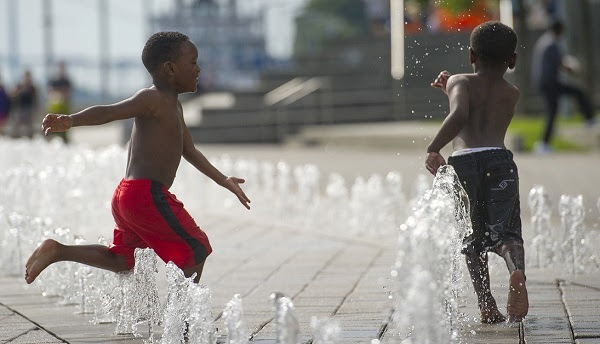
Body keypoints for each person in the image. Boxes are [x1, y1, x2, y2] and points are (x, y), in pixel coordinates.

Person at [25, 32, 251, 285]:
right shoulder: (151, 99)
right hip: (145, 196)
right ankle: (185, 323)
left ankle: (58, 250)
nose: (198, 69)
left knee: (122, 260)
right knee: (196, 248)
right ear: (170, 68)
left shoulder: (174, 105)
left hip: (129, 195)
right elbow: (110, 112)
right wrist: (72, 120)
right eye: (193, 62)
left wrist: (223, 180)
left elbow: (190, 150)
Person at [425, 21, 528, 323]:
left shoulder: (461, 81)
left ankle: (487, 305)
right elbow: (481, 109)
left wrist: (433, 148)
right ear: (513, 60)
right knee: (507, 233)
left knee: (473, 238)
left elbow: (461, 114)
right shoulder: (512, 92)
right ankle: (515, 269)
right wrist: (453, 89)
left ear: (471, 55)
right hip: (500, 162)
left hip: (465, 164)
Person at [531, 19, 596, 153]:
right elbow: (562, 64)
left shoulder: (545, 41)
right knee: (577, 92)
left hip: (546, 82)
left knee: (553, 112)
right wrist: (577, 73)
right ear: (559, 30)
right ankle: (589, 119)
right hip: (550, 83)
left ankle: (543, 144)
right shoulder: (551, 43)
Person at [47, 61, 73, 143]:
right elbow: (50, 92)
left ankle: (65, 139)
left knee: (65, 122)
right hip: (55, 105)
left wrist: (62, 95)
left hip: (64, 105)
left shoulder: (66, 80)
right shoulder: (54, 80)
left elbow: (69, 92)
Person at [10, 70, 38, 139]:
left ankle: (30, 137)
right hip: (20, 108)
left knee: (29, 125)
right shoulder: (19, 86)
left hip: (29, 108)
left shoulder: (32, 87)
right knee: (17, 123)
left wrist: (37, 108)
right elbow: (13, 95)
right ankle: (15, 137)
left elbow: (35, 99)